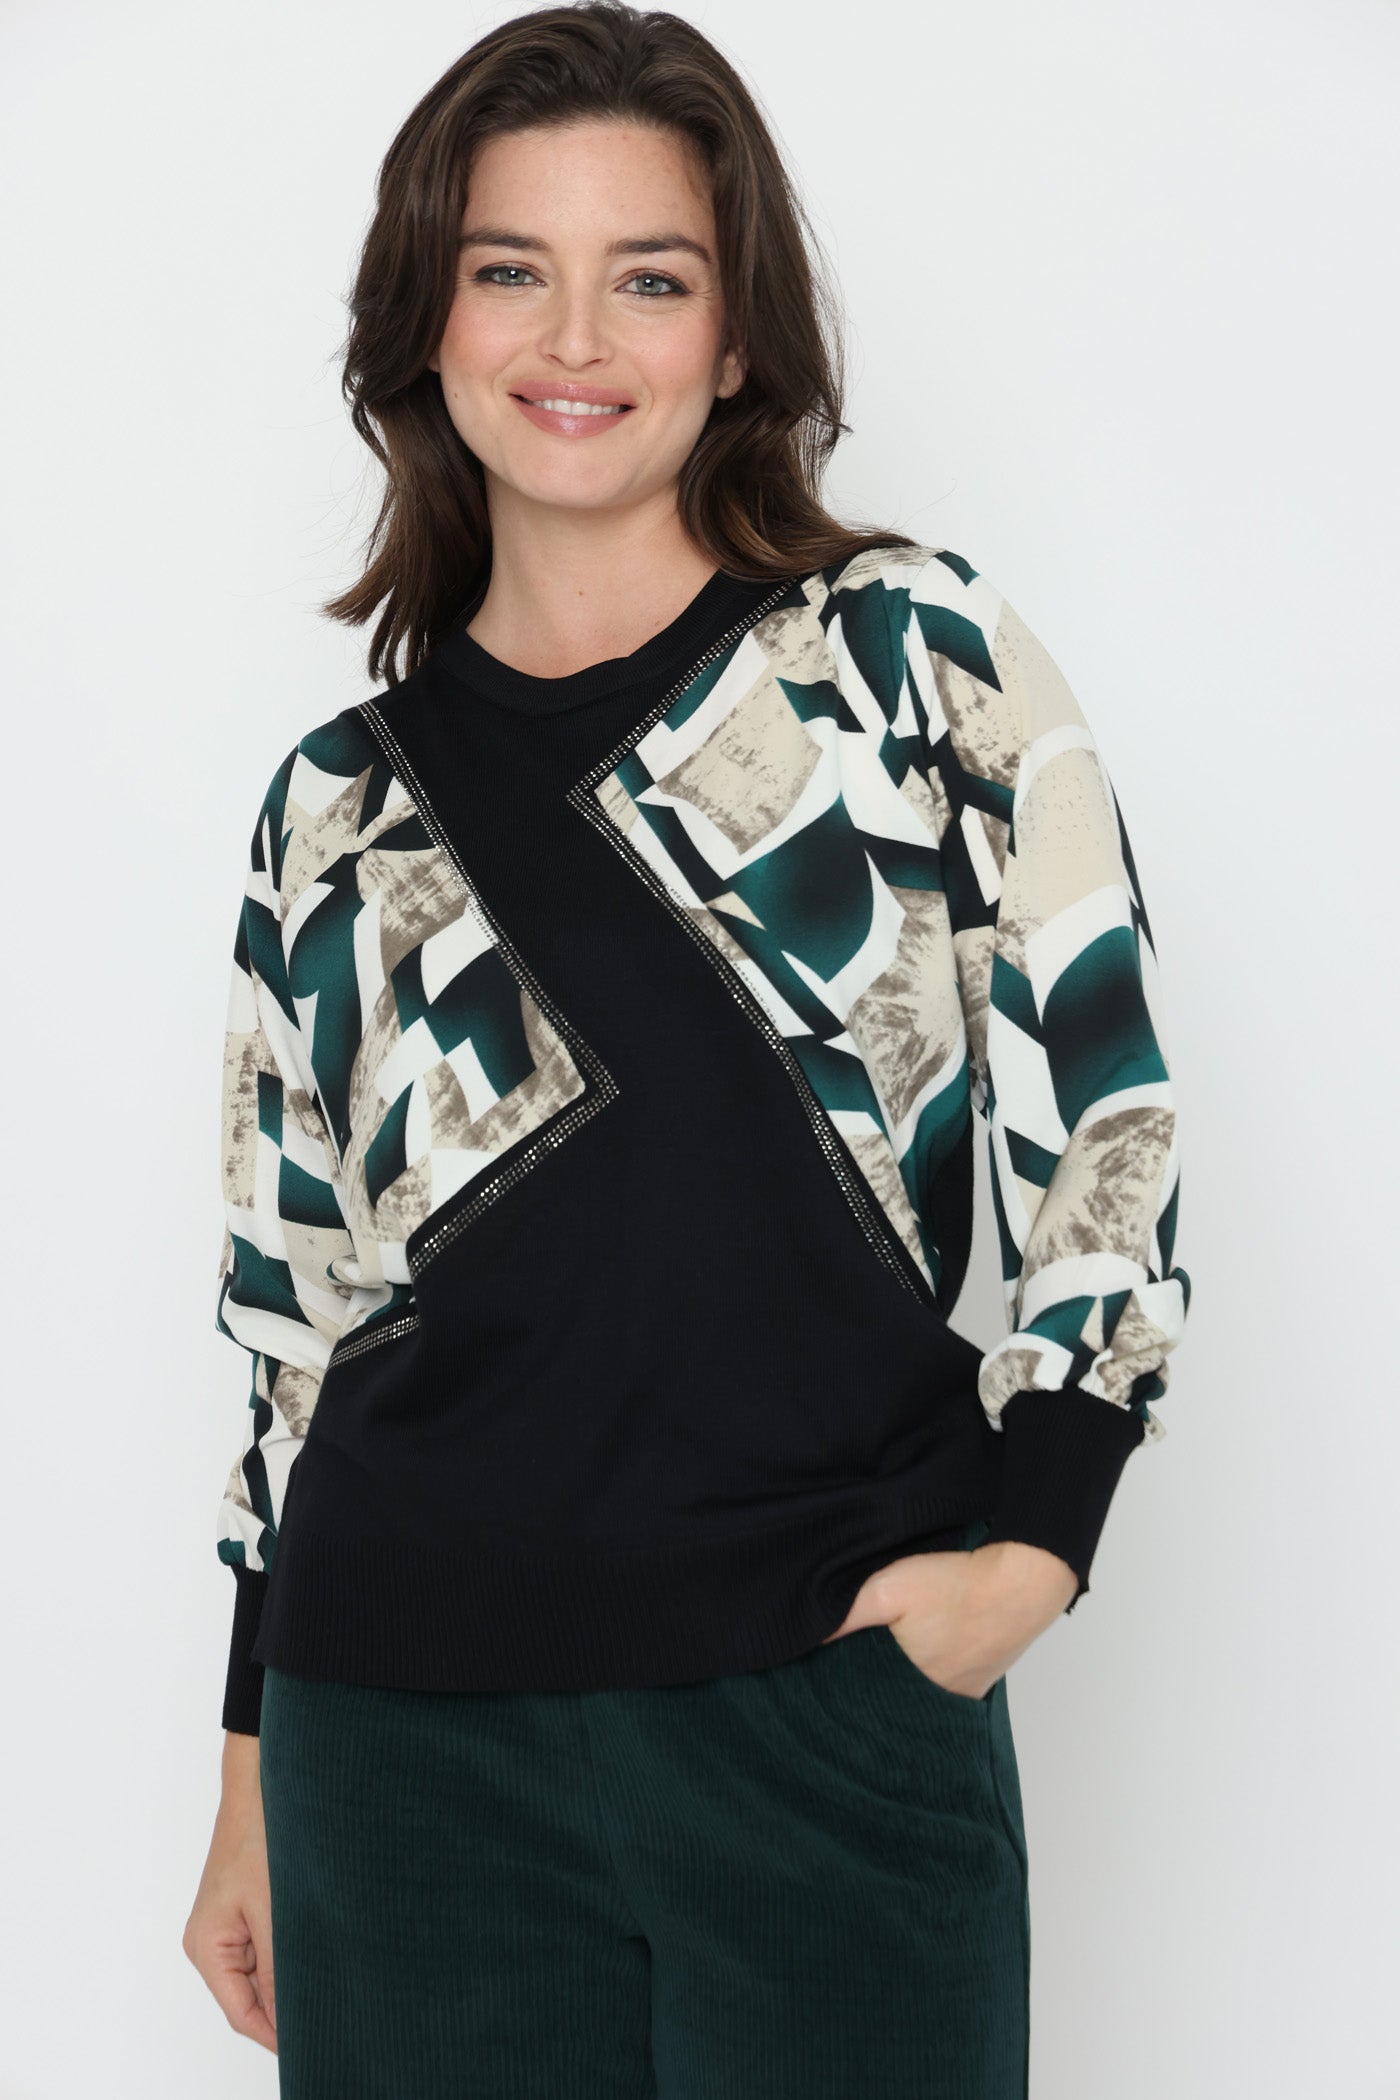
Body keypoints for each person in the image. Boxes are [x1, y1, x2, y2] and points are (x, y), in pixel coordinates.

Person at [182, 6, 1191, 2094]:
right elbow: (298, 1309)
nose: (576, 338)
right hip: (397, 1750)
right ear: (428, 324)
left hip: (822, 1710)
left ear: (738, 343)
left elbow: (1100, 1097)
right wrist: (251, 1766)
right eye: (509, 269)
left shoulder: (903, 659)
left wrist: (1032, 1548)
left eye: (649, 277)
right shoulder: (334, 804)